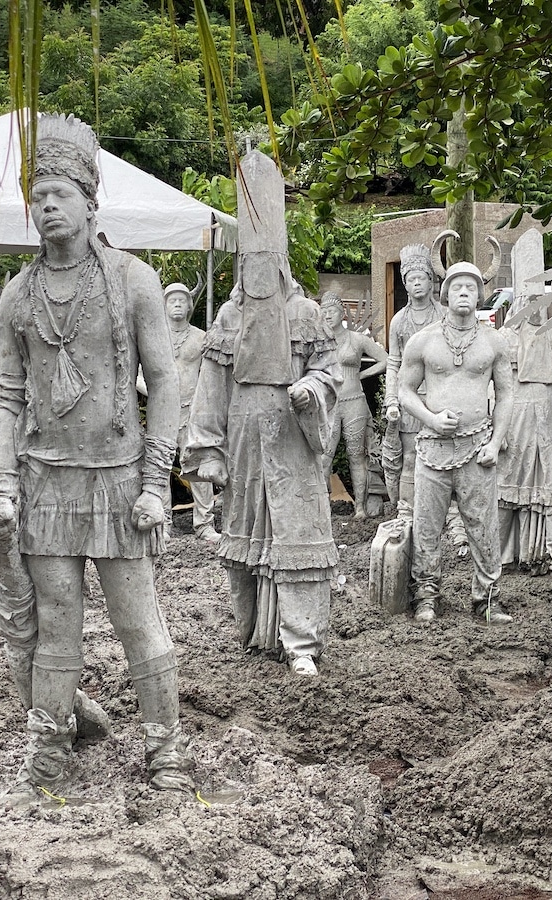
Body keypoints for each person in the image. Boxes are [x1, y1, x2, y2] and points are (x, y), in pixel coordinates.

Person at [0, 114, 194, 796]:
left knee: (138, 619)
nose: (47, 206)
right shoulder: (18, 294)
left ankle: (165, 750)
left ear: (89, 201)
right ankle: (48, 747)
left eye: (60, 193)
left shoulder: (133, 280)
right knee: (58, 627)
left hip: (120, 481)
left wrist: (157, 481)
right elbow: (7, 397)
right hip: (46, 484)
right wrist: (1, 484)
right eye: (37, 195)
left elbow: (163, 381)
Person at [183, 151, 341, 678]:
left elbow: (329, 369)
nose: (256, 275)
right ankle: (253, 630)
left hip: (292, 436)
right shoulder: (228, 316)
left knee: (298, 535)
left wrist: (311, 390)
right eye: (246, 265)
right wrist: (207, 447)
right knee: (245, 534)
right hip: (246, 436)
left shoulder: (305, 314)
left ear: (280, 266)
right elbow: (211, 386)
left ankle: (300, 641)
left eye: (263, 264)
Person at [399, 261, 513, 624]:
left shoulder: (495, 341)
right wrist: (430, 418)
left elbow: (507, 394)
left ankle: (488, 597)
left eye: (471, 287)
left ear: (481, 295)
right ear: (445, 293)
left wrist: (496, 443)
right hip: (433, 447)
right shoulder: (423, 341)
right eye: (457, 287)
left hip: (478, 447)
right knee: (427, 524)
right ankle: (426, 595)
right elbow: (403, 390)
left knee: (482, 524)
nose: (464, 293)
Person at [497, 294, 552, 578]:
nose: (536, 309)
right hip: (515, 417)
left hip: (546, 418)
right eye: (530, 302)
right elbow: (494, 386)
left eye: (540, 302)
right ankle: (499, 556)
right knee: (507, 483)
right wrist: (496, 428)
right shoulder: (505, 338)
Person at [137, 281, 219, 542]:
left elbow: (212, 374)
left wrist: (203, 401)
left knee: (199, 468)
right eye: (172, 300)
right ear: (164, 305)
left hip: (193, 411)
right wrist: (156, 393)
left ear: (189, 306)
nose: (177, 305)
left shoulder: (200, 337)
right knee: (160, 468)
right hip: (162, 412)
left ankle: (205, 524)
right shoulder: (154, 337)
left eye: (182, 301)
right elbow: (137, 375)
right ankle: (164, 523)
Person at [383, 244, 440, 515]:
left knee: (442, 453)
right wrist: (391, 400)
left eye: (422, 278)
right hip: (410, 396)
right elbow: (393, 362)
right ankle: (407, 509)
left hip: (440, 394)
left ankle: (444, 512)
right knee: (410, 456)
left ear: (431, 281)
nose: (417, 284)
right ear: (405, 284)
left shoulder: (442, 316)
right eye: (411, 279)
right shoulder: (399, 321)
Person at [320, 292, 387, 517]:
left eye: (332, 311)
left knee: (356, 455)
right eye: (324, 311)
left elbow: (386, 360)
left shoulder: (357, 339)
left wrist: (360, 375)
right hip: (329, 403)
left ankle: (360, 508)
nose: (327, 315)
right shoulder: (320, 341)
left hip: (354, 401)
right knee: (324, 455)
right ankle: (320, 508)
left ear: (342, 314)